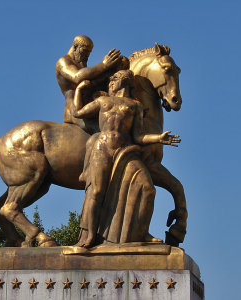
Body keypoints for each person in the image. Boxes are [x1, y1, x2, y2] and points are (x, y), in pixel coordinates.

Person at [73, 70, 180, 248]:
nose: (111, 82)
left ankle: (141, 233)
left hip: (126, 151)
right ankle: (89, 235)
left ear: (124, 80)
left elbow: (138, 136)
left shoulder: (135, 106)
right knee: (96, 192)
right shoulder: (102, 101)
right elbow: (78, 113)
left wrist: (158, 138)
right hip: (102, 148)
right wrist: (78, 90)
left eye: (113, 79)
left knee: (148, 188)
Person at [56, 35, 121, 134]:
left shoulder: (82, 65)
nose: (86, 55)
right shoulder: (63, 62)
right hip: (74, 110)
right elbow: (76, 76)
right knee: (106, 129)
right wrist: (103, 65)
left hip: (88, 107)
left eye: (89, 53)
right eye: (84, 51)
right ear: (75, 47)